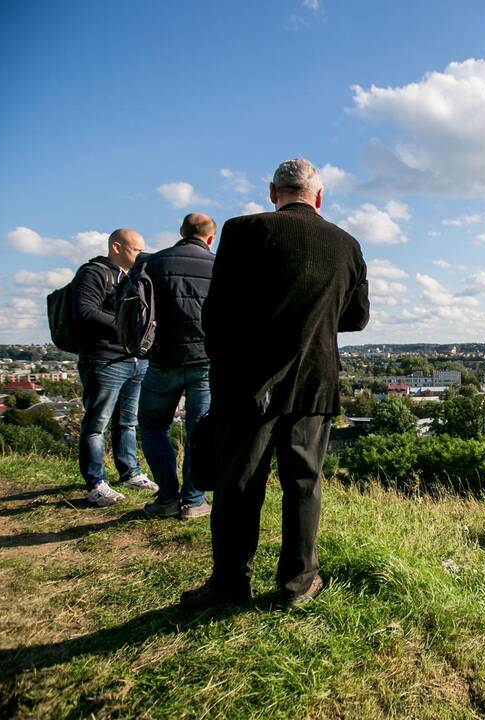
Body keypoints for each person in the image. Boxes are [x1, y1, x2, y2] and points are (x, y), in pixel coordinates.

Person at [181, 159, 369, 610]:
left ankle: (229, 585)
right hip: (314, 379)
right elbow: (357, 318)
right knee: (303, 482)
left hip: (248, 381)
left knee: (240, 484)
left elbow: (217, 313)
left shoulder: (242, 231)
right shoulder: (346, 244)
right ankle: (298, 583)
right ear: (319, 197)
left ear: (273, 192)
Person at [139, 213, 216, 520]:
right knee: (199, 431)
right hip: (206, 361)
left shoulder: (153, 263)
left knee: (152, 425)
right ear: (211, 239)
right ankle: (194, 500)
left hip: (163, 359)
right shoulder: (219, 266)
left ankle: (168, 495)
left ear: (181, 232)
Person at [74, 228, 158, 506]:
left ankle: (129, 471)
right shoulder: (94, 273)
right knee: (97, 423)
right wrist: (127, 328)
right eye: (136, 249)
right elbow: (85, 311)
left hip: (134, 360)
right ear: (116, 247)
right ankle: (96, 482)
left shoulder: (134, 278)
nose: (141, 255)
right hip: (104, 359)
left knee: (127, 421)